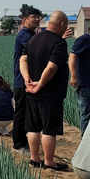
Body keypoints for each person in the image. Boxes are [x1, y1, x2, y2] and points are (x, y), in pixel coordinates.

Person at [19, 10, 70, 170]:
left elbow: (23, 59)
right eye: (66, 25)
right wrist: (40, 84)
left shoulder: (33, 39)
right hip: (50, 93)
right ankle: (49, 161)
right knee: (49, 129)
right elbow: (52, 67)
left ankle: (34, 159)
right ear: (61, 24)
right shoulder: (59, 43)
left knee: (33, 126)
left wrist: (27, 80)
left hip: (31, 91)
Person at [11, 4, 41, 154]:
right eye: (33, 17)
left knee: (27, 113)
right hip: (21, 81)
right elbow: (36, 48)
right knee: (21, 113)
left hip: (28, 81)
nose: (37, 19)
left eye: (38, 17)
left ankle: (25, 141)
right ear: (24, 20)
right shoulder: (24, 35)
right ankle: (18, 144)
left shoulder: (32, 34)